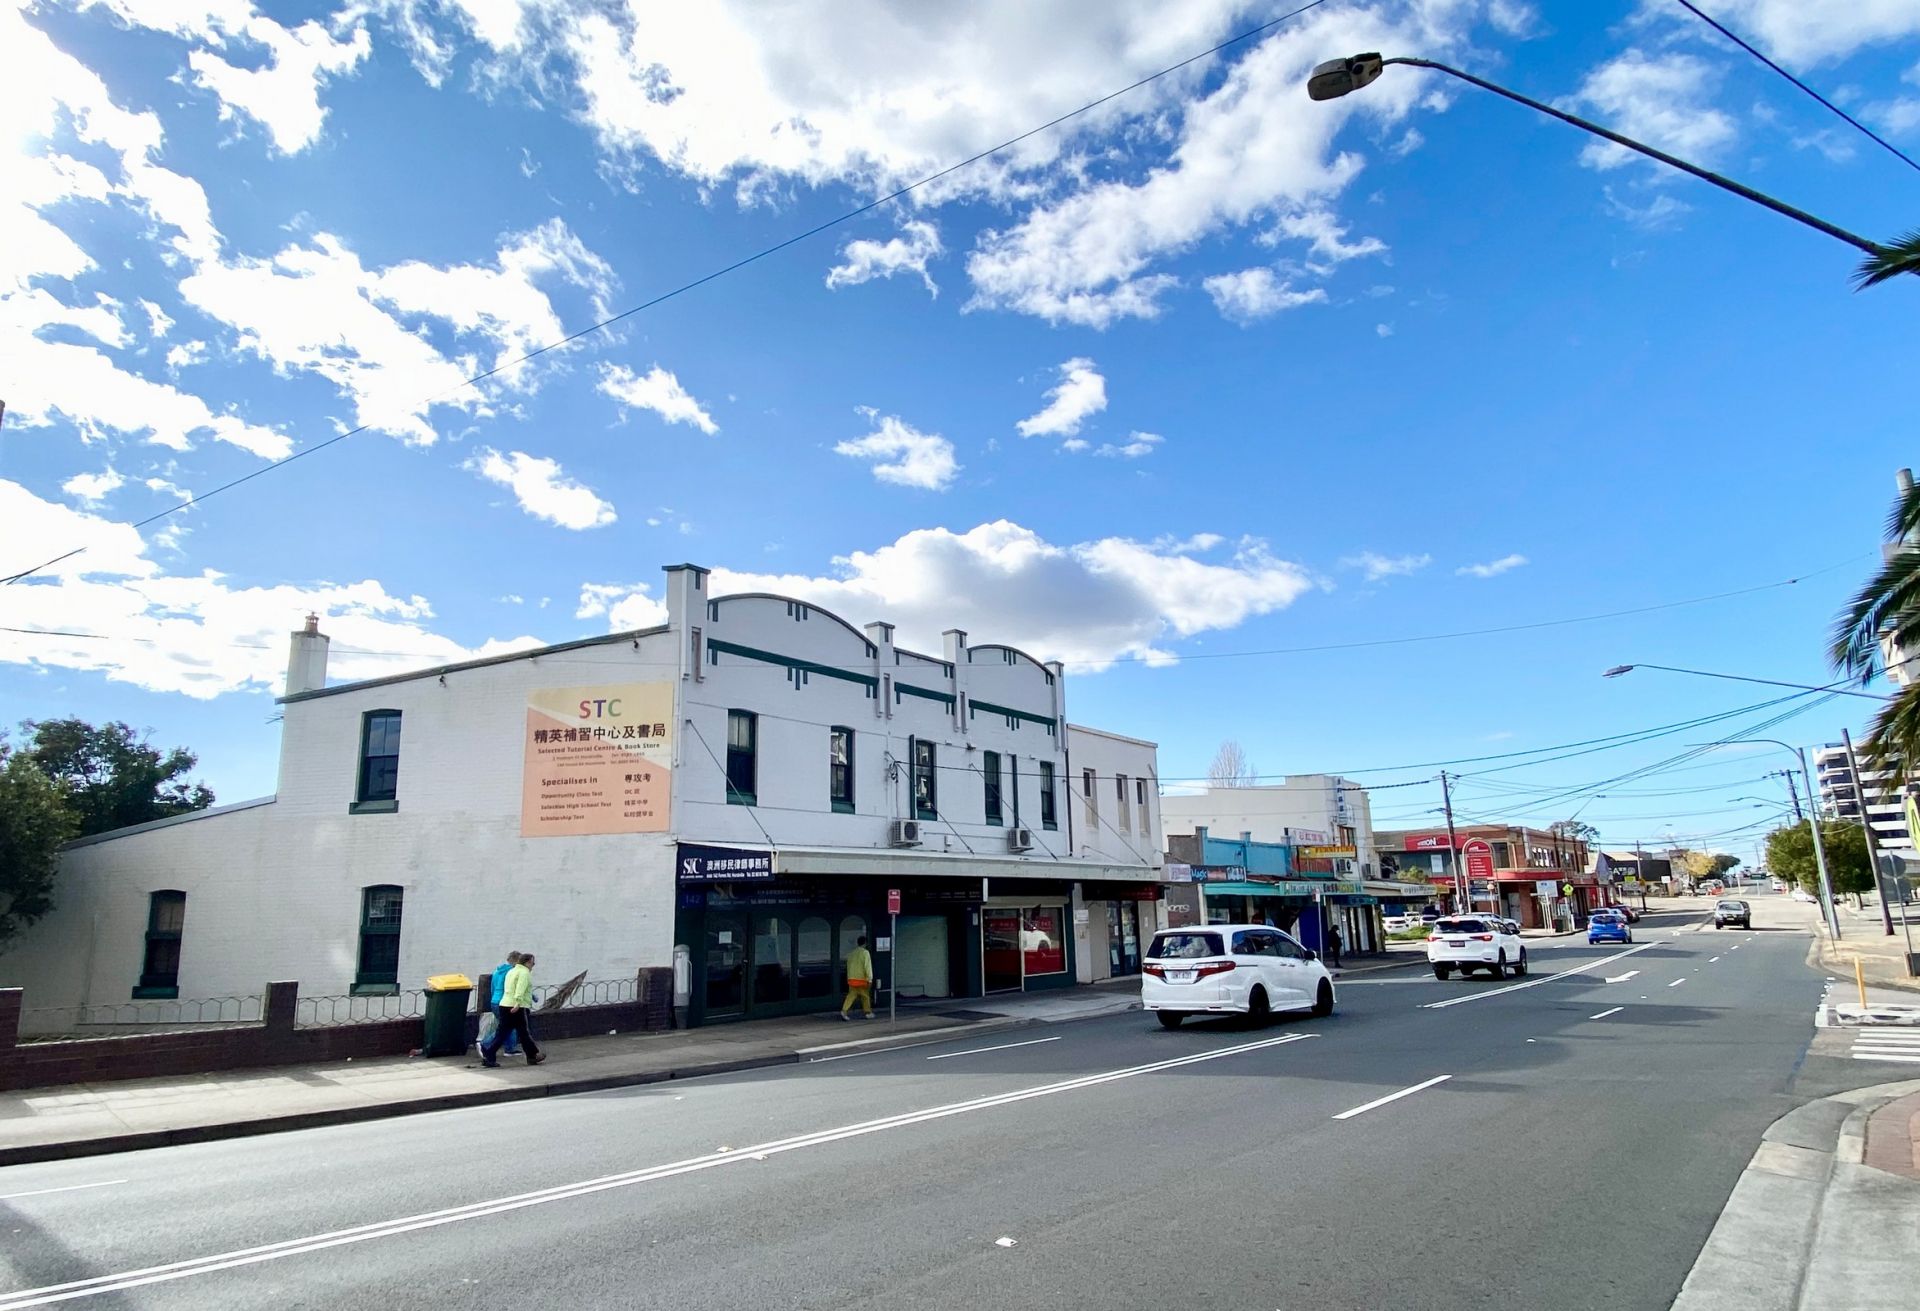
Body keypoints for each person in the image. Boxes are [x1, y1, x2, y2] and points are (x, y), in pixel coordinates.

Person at [481, 951, 545, 1066]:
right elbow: (520, 989)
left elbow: (508, 988)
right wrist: (518, 1004)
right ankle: (533, 1055)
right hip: (516, 1006)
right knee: (523, 1032)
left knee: (503, 1032)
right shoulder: (524, 973)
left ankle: (489, 1054)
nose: (533, 966)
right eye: (533, 963)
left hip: (504, 1004)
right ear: (527, 963)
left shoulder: (512, 971)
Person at [482, 951, 522, 1058]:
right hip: (505, 1002)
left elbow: (493, 987)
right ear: (517, 961)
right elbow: (513, 988)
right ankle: (486, 1043)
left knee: (505, 1025)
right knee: (508, 1026)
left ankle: (508, 1048)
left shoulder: (497, 971)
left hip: (495, 1001)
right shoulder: (512, 972)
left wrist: (493, 999)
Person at [840, 936, 875, 1020]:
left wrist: (849, 977)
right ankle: (868, 1012)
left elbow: (848, 966)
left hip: (852, 979)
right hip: (861, 979)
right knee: (865, 996)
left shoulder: (852, 953)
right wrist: (870, 978)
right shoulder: (865, 953)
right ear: (865, 943)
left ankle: (844, 1010)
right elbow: (867, 966)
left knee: (851, 996)